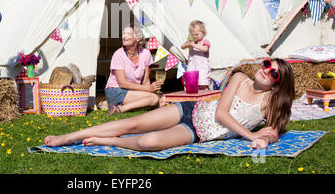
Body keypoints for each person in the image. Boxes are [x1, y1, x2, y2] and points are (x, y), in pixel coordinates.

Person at [44, 58, 295, 151]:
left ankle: (106, 140)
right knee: (133, 123)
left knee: (148, 142)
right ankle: (69, 136)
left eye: (274, 74)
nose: (267, 72)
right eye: (267, 66)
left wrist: (267, 137)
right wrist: (251, 135)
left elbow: (272, 131)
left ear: (277, 85)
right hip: (191, 111)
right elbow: (221, 112)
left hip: (197, 133)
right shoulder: (240, 78)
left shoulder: (269, 103)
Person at [104, 24, 165, 115]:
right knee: (154, 99)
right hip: (116, 90)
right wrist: (148, 89)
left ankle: (111, 105)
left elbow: (145, 81)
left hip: (133, 91)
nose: (124, 36)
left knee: (162, 99)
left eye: (128, 33)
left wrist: (151, 88)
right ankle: (120, 109)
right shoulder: (118, 54)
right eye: (123, 34)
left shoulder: (146, 53)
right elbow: (122, 83)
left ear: (138, 38)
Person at [181, 20, 211, 90]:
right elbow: (182, 47)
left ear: (203, 33)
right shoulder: (191, 41)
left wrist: (195, 45)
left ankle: (206, 97)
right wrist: (186, 44)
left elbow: (205, 49)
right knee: (191, 83)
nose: (195, 36)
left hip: (202, 66)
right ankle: (193, 98)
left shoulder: (205, 41)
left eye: (197, 34)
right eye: (193, 34)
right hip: (192, 65)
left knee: (203, 83)